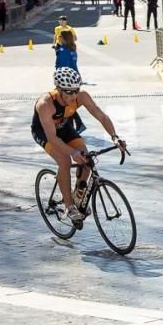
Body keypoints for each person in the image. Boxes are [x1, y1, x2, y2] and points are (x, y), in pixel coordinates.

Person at [32, 67, 127, 225]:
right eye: (69, 92)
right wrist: (72, 152)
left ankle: (77, 194)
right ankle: (69, 206)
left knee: (86, 158)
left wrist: (115, 137)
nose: (73, 95)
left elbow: (101, 116)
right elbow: (53, 139)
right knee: (65, 161)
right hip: (45, 133)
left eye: (76, 90)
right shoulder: (46, 104)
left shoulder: (81, 96)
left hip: (64, 127)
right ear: (59, 89)